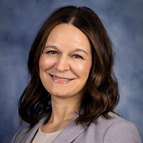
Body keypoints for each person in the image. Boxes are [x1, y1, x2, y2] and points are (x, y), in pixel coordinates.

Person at [12, 5, 142, 143]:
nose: (60, 66)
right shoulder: (21, 137)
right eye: (52, 52)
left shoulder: (115, 132)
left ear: (96, 65)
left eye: (76, 56)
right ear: (38, 57)